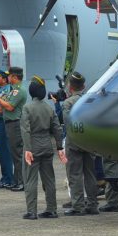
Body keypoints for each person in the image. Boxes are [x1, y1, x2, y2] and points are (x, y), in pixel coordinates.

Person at [20, 76, 67, 219]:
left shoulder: (27, 108)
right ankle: (52, 209)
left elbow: (25, 129)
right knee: (49, 179)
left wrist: (28, 148)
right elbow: (57, 128)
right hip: (47, 145)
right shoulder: (48, 108)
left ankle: (32, 211)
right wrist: (59, 147)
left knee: (30, 180)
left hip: (33, 145)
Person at [61, 72, 99, 216]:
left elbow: (67, 123)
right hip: (89, 141)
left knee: (75, 174)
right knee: (90, 173)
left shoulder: (68, 103)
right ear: (83, 86)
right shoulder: (90, 100)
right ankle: (93, 204)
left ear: (70, 87)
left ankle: (78, 206)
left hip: (74, 142)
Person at [0, 66, 26, 191]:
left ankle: (20, 182)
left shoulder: (18, 90)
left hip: (14, 123)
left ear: (14, 77)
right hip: (9, 123)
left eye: (9, 76)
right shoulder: (14, 90)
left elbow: (9, 107)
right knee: (14, 154)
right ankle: (16, 181)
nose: (7, 77)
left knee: (17, 154)